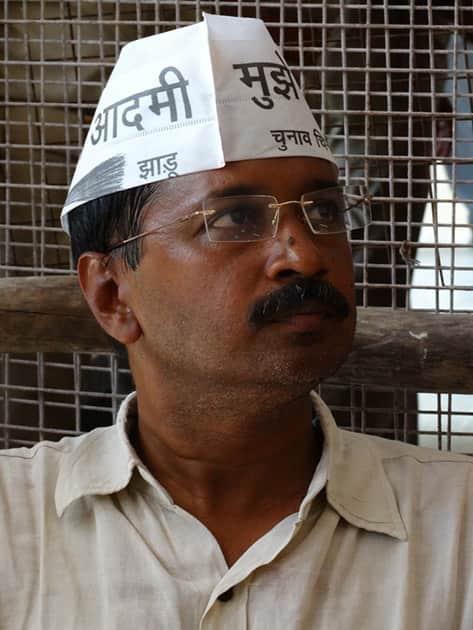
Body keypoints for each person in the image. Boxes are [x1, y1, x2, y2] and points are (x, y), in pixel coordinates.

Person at [1, 14, 472, 630]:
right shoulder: (14, 526)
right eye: (234, 219)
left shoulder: (459, 528)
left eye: (326, 209)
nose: (303, 254)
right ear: (113, 294)